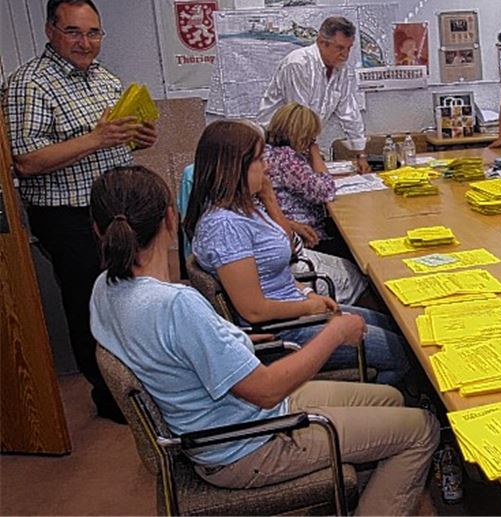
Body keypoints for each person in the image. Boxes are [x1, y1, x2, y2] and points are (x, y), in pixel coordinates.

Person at [89, 165, 438, 516]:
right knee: (421, 430)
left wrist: (232, 341)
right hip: (248, 444)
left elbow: (176, 352)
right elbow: (267, 389)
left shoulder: (104, 289)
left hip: (236, 420)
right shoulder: (176, 305)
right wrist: (335, 333)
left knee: (391, 398)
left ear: (97, 230)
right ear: (169, 218)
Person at [1, 0, 158, 423]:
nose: (85, 42)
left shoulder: (103, 76)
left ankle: (137, 385)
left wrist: (138, 137)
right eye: (73, 32)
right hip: (67, 214)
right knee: (89, 305)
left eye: (93, 33)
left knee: (124, 299)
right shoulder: (28, 83)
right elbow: (26, 160)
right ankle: (108, 396)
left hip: (113, 209)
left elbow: (119, 137)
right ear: (50, 31)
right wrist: (98, 137)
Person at [183, 120, 410, 386]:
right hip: (284, 332)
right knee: (402, 352)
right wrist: (308, 306)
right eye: (259, 160)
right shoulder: (225, 226)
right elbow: (254, 311)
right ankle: (386, 407)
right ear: (234, 167)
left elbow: (279, 266)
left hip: (296, 312)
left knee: (399, 327)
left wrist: (307, 293)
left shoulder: (246, 209)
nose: (267, 167)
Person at [264, 102, 370, 305]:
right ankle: (366, 300)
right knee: (360, 250)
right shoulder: (287, 159)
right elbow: (325, 191)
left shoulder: (270, 153)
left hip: (292, 231)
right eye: (311, 137)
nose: (312, 140)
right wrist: (314, 152)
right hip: (305, 237)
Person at [257, 16, 370, 174]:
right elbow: (299, 118)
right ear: (321, 42)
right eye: (339, 48)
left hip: (303, 143)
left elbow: (349, 112)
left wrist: (360, 153)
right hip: (276, 144)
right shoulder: (298, 64)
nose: (345, 55)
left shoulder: (340, 68)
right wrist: (313, 156)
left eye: (349, 48)